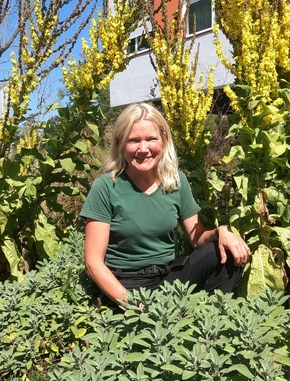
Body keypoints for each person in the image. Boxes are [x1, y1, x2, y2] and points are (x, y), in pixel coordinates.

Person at [80, 102, 251, 306]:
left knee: (226, 251)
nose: (143, 149)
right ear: (120, 143)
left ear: (163, 140)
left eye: (151, 139)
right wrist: (135, 305)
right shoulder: (106, 187)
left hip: (168, 279)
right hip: (126, 285)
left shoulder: (176, 181)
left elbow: (198, 239)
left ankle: (213, 321)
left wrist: (222, 232)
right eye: (133, 141)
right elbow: (93, 263)